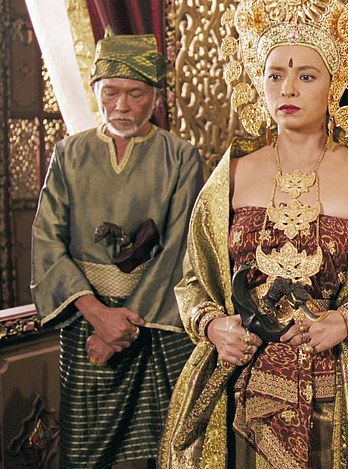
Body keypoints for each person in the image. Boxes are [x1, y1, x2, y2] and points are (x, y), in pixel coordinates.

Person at [159, 1, 348, 467]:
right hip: (240, 382)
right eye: (275, 74)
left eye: (306, 75)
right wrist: (215, 326)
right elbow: (195, 279)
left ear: (334, 84)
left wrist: (345, 321)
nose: (287, 88)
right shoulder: (233, 173)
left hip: (337, 391)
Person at [30, 32, 203, 468]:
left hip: (158, 327)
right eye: (110, 92)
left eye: (135, 93)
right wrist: (98, 317)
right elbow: (47, 240)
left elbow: (180, 249)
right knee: (84, 455)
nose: (121, 106)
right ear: (96, 92)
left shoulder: (181, 157)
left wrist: (123, 327)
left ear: (156, 97)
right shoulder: (69, 154)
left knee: (169, 450)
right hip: (86, 324)